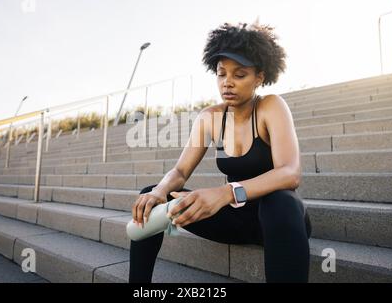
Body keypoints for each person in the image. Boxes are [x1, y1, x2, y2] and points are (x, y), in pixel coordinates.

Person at [129, 22, 312, 283]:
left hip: (278, 221)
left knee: (280, 200)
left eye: (239, 75)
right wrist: (160, 190)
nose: (227, 83)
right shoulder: (209, 117)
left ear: (259, 77)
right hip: (234, 220)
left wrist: (227, 192)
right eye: (221, 73)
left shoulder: (271, 106)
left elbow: (290, 173)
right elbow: (181, 171)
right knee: (150, 196)